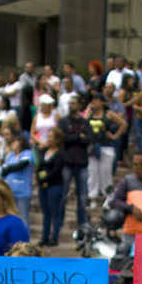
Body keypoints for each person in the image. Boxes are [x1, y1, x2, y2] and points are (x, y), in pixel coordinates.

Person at [58, 97, 92, 232]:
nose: (71, 105)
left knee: (82, 197)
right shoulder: (63, 121)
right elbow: (62, 138)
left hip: (82, 163)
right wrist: (78, 136)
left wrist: (73, 137)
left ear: (79, 105)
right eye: (69, 103)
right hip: (67, 162)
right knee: (62, 195)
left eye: (73, 103)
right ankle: (58, 223)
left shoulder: (85, 122)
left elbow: (89, 139)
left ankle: (82, 224)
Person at [0, 134, 35, 225]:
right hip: (10, 191)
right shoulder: (10, 156)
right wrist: (7, 169)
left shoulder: (27, 153)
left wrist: (8, 169)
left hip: (23, 191)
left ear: (21, 142)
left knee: (23, 217)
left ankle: (24, 238)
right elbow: (3, 171)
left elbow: (21, 165)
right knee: (9, 217)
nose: (12, 144)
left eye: (14, 142)